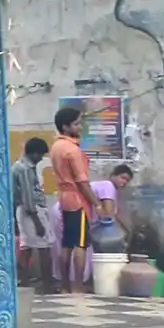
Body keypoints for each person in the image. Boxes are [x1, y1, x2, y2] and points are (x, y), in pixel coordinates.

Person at [48, 105, 97, 291]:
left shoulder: (56, 147)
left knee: (67, 242)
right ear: (65, 127)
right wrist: (96, 203)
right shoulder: (72, 150)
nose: (79, 127)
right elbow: (82, 181)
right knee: (80, 243)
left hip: (64, 197)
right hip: (77, 198)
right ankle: (78, 285)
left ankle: (65, 285)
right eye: (76, 124)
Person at [12, 136, 55, 287]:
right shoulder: (24, 169)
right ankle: (47, 283)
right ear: (34, 153)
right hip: (32, 211)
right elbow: (28, 196)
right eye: (41, 155)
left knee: (26, 247)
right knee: (44, 247)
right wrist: (38, 222)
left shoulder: (20, 166)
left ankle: (23, 280)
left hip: (24, 211)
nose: (41, 159)